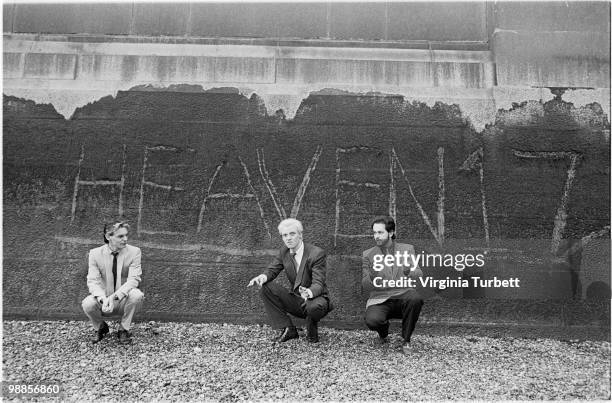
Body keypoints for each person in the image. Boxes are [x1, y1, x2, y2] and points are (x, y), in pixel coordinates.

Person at [248, 218, 332, 343]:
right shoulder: (284, 251)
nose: (288, 238)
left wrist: (309, 292)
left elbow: (318, 283)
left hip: (317, 300)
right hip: (297, 300)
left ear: (300, 235)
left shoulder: (316, 254)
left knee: (313, 306)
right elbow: (273, 269)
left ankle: (312, 332)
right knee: (265, 287)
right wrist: (263, 277)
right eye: (285, 235)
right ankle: (289, 329)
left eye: (292, 234)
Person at [362, 216, 423, 354]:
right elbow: (365, 285)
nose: (376, 236)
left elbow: (419, 274)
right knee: (373, 321)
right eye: (374, 233)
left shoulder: (407, 249)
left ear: (391, 232)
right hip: (380, 298)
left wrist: (408, 271)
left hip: (403, 295)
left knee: (415, 298)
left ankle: (406, 340)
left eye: (380, 232)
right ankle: (384, 333)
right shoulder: (368, 255)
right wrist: (371, 275)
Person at [82, 222, 144, 344]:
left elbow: (134, 279)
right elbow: (92, 281)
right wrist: (102, 299)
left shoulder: (135, 252)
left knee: (137, 295)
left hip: (123, 299)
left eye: (126, 235)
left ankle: (123, 329)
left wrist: (114, 297)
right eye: (120, 236)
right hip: (103, 302)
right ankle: (100, 327)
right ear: (108, 236)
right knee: (87, 304)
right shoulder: (95, 254)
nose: (125, 239)